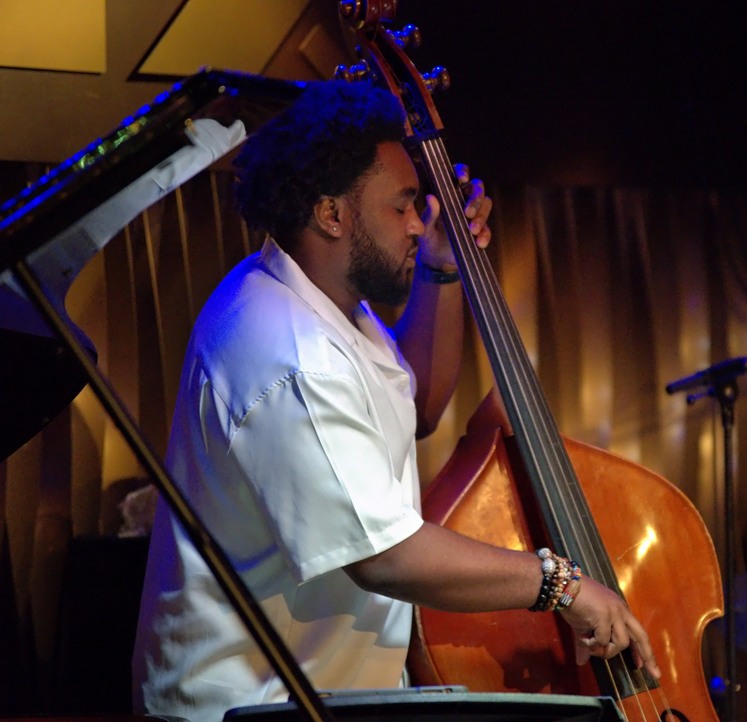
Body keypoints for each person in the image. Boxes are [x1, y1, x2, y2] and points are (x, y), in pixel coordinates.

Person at [131, 80, 659, 722]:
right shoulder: (287, 347)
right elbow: (385, 556)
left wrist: (441, 267)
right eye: (403, 206)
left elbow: (418, 405)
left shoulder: (330, 307)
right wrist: (560, 584)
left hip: (319, 697)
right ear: (332, 214)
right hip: (245, 709)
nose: (418, 223)